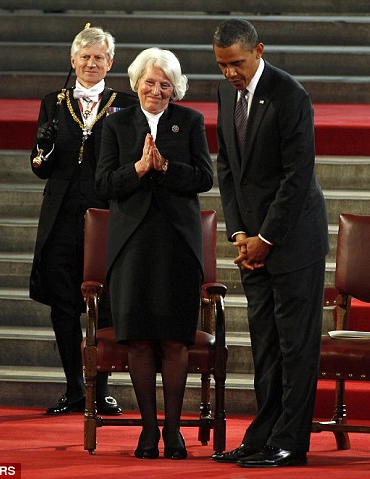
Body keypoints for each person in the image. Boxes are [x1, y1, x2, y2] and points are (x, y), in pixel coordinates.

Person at [210, 19, 329, 468]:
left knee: (296, 347)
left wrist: (266, 237)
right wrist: (239, 232)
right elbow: (227, 170)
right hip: (252, 245)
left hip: (293, 241)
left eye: (237, 63)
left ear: (259, 50)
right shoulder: (225, 94)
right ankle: (263, 435)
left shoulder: (290, 95)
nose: (230, 74)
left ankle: (290, 443)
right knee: (265, 345)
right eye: (222, 65)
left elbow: (297, 177)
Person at [95, 47, 213, 460]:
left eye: (165, 84)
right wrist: (140, 170)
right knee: (140, 342)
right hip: (132, 246)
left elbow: (204, 177)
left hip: (178, 244)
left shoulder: (190, 121)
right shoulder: (117, 124)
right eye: (150, 82)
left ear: (175, 88)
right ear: (136, 83)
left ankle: (175, 432)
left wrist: (165, 168)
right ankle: (148, 432)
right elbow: (104, 183)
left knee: (175, 341)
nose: (156, 90)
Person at [29, 26, 138, 416]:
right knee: (63, 304)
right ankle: (75, 388)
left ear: (111, 63)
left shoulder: (124, 104)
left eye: (99, 58)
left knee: (105, 304)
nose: (91, 64)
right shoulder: (53, 102)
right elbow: (40, 167)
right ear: (73, 61)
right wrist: (44, 146)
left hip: (106, 216)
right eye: (85, 57)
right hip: (60, 217)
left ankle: (100, 389)